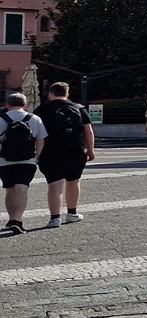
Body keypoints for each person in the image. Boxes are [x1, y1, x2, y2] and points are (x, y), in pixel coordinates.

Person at [38, 82, 94, 228]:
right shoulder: (79, 109)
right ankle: (72, 213)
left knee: (54, 185)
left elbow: (36, 133)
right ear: (67, 94)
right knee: (73, 182)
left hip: (50, 152)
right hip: (75, 151)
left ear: (51, 94)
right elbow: (88, 131)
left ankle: (54, 218)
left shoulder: (42, 109)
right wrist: (90, 150)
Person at [0, 91, 48, 235]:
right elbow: (41, 140)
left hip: (4, 160)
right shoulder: (35, 118)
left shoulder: (1, 119)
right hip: (28, 160)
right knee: (22, 188)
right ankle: (17, 220)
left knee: (10, 189)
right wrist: (36, 157)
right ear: (25, 105)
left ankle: (11, 219)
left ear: (7, 105)